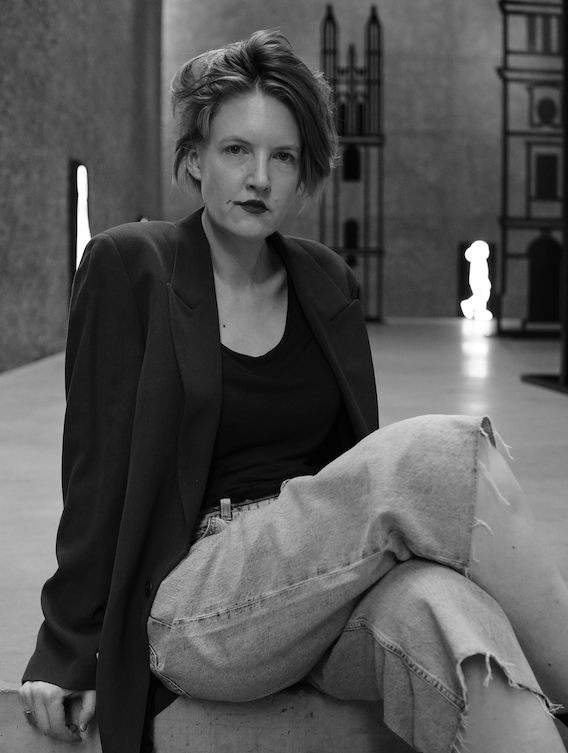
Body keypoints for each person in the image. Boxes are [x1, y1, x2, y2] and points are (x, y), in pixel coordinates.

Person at [20, 29, 568, 753]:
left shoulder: (326, 282)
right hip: (195, 600)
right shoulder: (132, 267)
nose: (260, 177)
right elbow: (94, 473)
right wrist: (67, 645)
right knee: (436, 456)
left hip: (319, 578)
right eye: (236, 150)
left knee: (451, 612)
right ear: (194, 158)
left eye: (283, 157)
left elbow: (352, 476)